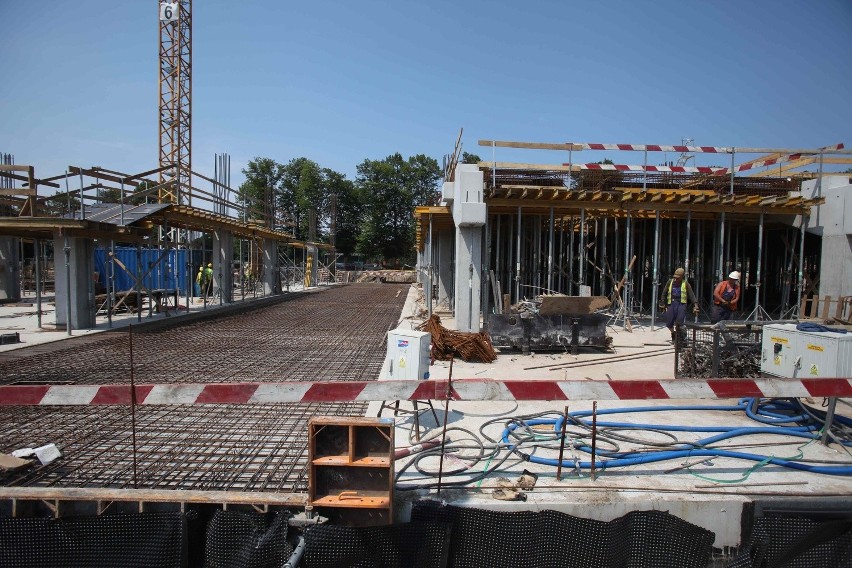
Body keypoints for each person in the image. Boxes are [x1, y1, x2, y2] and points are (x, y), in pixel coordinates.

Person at [659, 267, 699, 342]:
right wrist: (662, 302)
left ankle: (679, 339)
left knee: (679, 322)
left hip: (681, 304)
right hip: (671, 303)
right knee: (669, 322)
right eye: (675, 277)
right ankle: (673, 333)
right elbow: (664, 293)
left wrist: (695, 304)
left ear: (681, 277)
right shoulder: (669, 282)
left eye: (677, 278)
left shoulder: (685, 283)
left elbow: (691, 294)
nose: (675, 279)